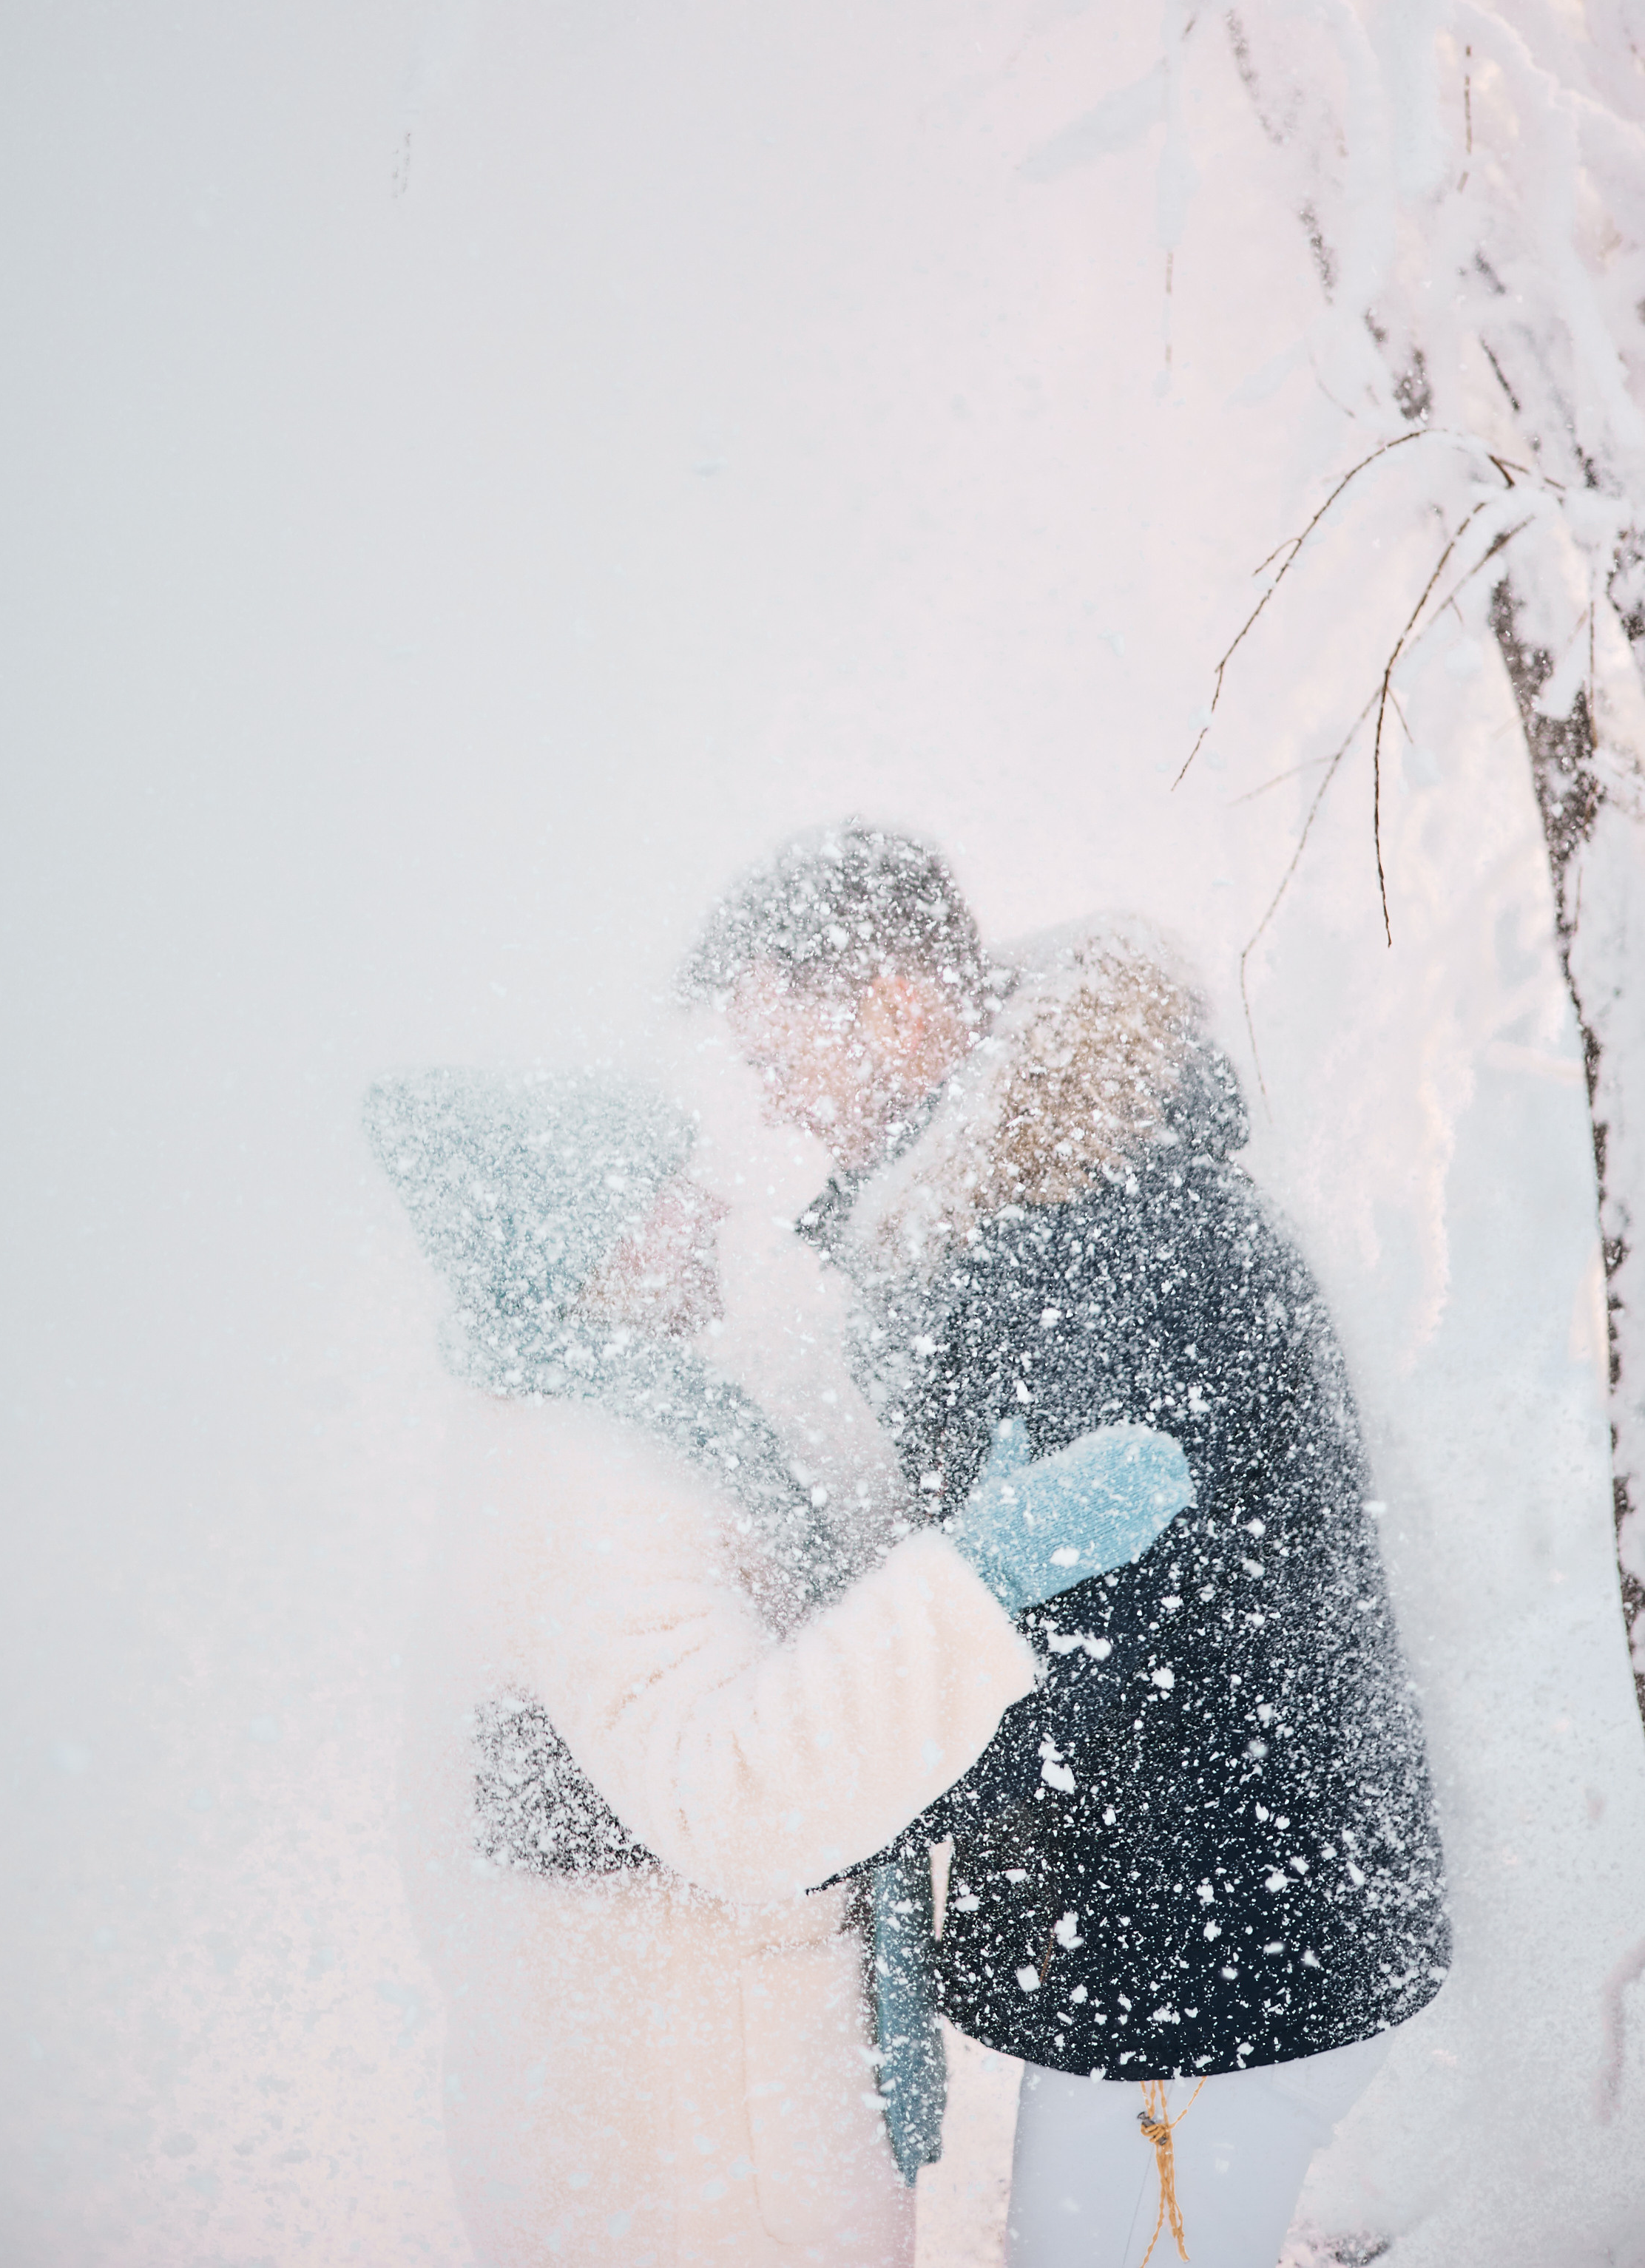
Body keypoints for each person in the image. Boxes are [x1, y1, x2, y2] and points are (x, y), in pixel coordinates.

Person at [680, 821, 1451, 2268]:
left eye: (785, 1060)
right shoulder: (1040, 1208)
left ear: (897, 1002)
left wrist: (787, 1783)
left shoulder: (1085, 1232)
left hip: (1211, 1956)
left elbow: (1090, 1648)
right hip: (1190, 1934)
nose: (782, 1111)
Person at [365, 1063, 1192, 2267]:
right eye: (662, 1189)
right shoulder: (584, 1484)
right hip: (696, 2147)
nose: (709, 1208)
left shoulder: (608, 1425)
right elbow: (734, 1795)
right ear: (579, 1243)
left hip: (686, 2108)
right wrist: (973, 1579)